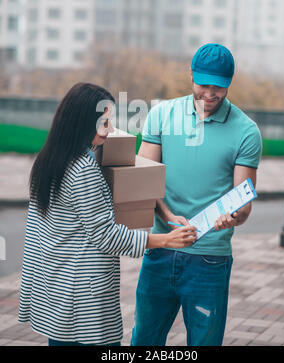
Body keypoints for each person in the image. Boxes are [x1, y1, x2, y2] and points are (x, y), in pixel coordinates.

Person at [18, 82, 197, 346]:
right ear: (82, 123)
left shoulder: (49, 160)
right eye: (104, 123)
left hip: (56, 286)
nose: (110, 130)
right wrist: (165, 240)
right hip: (82, 296)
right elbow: (105, 235)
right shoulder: (82, 169)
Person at [131, 43, 262, 346]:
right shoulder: (162, 114)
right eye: (204, 84)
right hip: (160, 249)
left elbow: (243, 203)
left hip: (209, 260)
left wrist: (233, 218)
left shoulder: (246, 132)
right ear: (190, 73)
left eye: (220, 87)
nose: (210, 94)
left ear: (230, 82)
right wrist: (166, 216)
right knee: (144, 342)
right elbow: (143, 179)